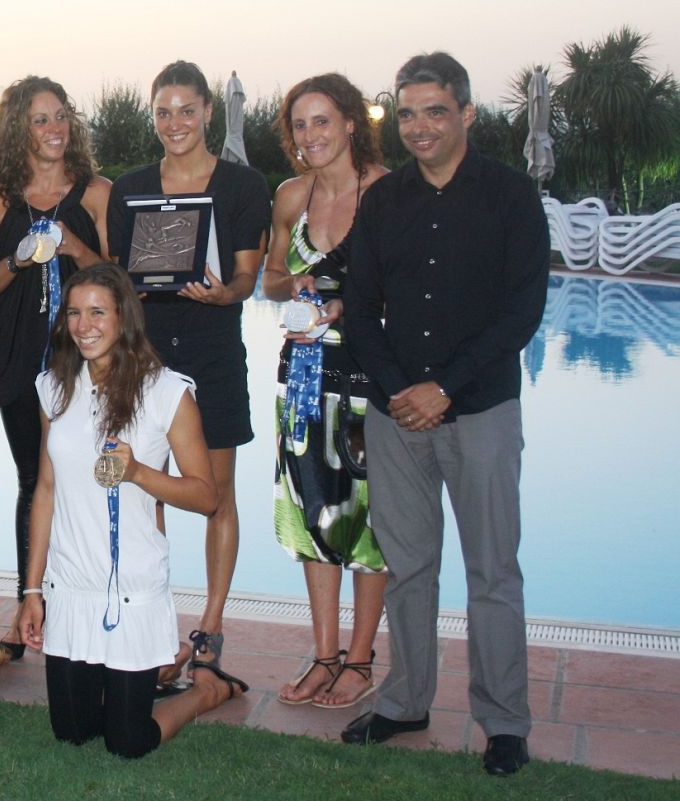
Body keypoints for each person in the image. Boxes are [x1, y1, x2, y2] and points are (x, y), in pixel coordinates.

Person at [341, 52, 548, 777]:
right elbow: (360, 307)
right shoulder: (385, 200)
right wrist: (401, 389)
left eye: (434, 110)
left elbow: (523, 310)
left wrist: (445, 388)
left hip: (481, 408)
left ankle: (504, 720)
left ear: (465, 113)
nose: (419, 126)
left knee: (492, 570)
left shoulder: (510, 196)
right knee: (408, 568)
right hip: (396, 413)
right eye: (406, 113)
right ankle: (405, 700)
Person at [16, 263, 244, 758]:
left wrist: (139, 472)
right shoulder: (53, 388)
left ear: (124, 317)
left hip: (132, 588)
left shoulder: (168, 393)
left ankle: (206, 690)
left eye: (98, 312)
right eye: (74, 313)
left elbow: (207, 497)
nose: (84, 325)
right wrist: (32, 590)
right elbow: (46, 489)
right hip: (72, 586)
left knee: (127, 741)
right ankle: (141, 677)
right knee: (73, 733)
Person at [106, 60, 269, 673]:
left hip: (214, 348)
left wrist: (225, 293)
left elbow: (247, 276)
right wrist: (132, 289)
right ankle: (152, 617)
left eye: (186, 109)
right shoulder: (131, 187)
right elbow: (121, 268)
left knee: (215, 494)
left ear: (207, 111)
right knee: (146, 489)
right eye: (163, 112)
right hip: (146, 356)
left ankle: (212, 623)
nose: (175, 122)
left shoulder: (243, 186)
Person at [0, 75, 110, 662]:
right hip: (19, 358)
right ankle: (34, 606)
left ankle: (91, 602)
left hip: (89, 360)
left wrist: (76, 249)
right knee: (36, 480)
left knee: (92, 479)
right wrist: (17, 259)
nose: (54, 130)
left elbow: (119, 281)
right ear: (18, 130)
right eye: (40, 120)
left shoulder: (97, 192)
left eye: (61, 117)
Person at [258, 74, 389, 709]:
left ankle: (361, 661)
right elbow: (271, 277)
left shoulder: (390, 194)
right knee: (313, 517)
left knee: (369, 523)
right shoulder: (291, 197)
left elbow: (408, 287)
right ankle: (325, 655)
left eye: (323, 122)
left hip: (371, 380)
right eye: (300, 125)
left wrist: (347, 303)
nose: (311, 136)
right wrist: (297, 287)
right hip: (303, 379)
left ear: (350, 124)